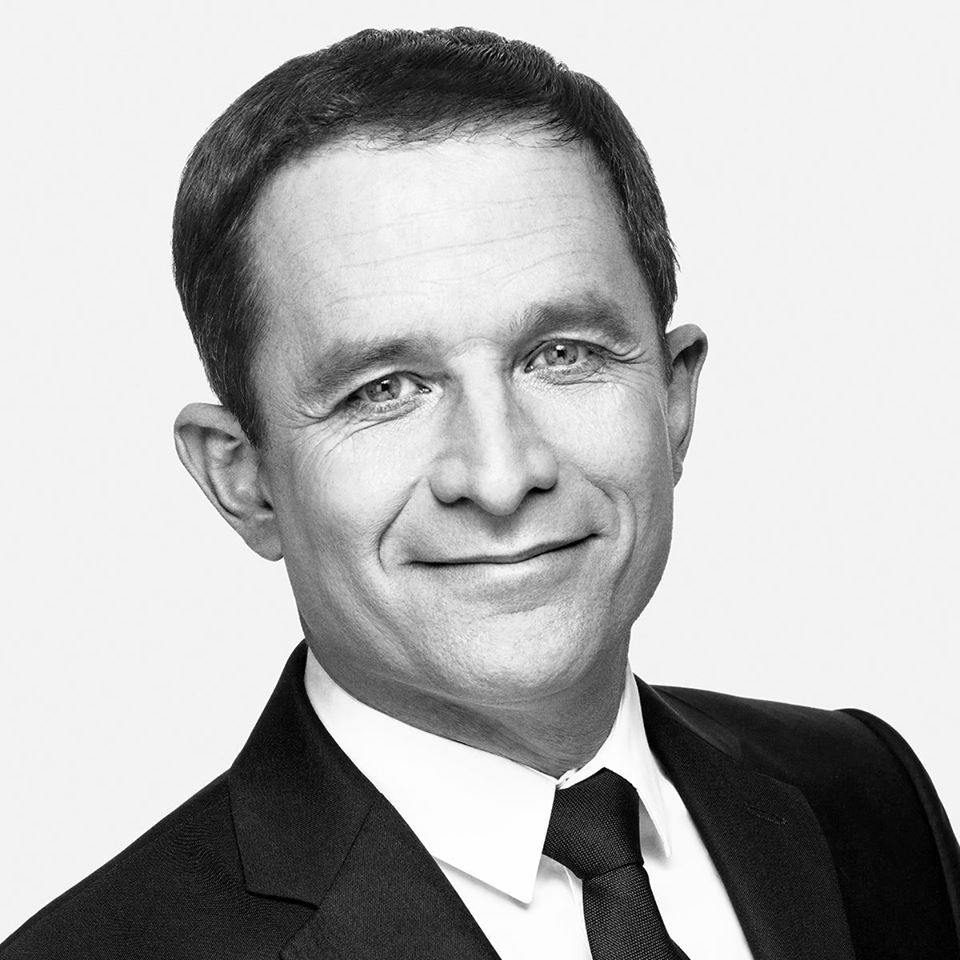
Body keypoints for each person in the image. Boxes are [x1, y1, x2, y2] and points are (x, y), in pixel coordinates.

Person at [2, 25, 957, 960]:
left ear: (673, 401)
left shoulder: (866, 799)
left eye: (563, 354)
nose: (501, 476)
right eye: (383, 389)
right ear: (241, 478)